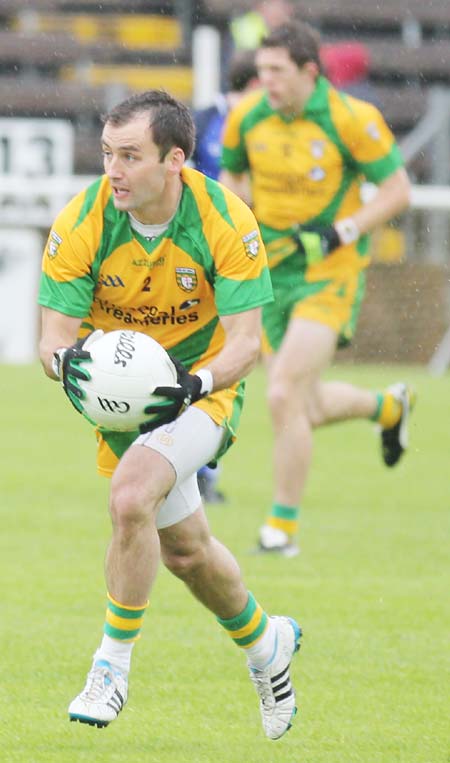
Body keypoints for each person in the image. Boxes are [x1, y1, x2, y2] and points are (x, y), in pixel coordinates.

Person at [37, 89, 301, 740]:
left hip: (203, 386)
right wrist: (67, 365)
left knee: (131, 500)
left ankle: (111, 666)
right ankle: (267, 642)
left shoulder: (222, 219)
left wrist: (195, 383)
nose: (114, 171)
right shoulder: (84, 220)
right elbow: (51, 340)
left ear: (175, 159)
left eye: (130, 156)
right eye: (107, 154)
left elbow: (247, 343)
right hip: (122, 398)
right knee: (186, 551)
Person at [219, 21, 414, 557]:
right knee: (300, 403)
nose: (266, 82)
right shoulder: (247, 117)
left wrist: (342, 231)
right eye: (261, 72)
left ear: (309, 71)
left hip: (330, 274)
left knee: (281, 392)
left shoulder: (352, 119)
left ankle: (280, 529)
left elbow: (398, 191)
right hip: (270, 275)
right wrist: (244, 218)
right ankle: (386, 408)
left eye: (277, 72)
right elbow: (232, 179)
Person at [192, 49, 259, 503]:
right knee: (200, 353)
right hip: (193, 258)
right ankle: (196, 470)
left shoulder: (264, 127)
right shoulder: (200, 121)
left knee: (231, 356)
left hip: (239, 257)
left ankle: (201, 467)